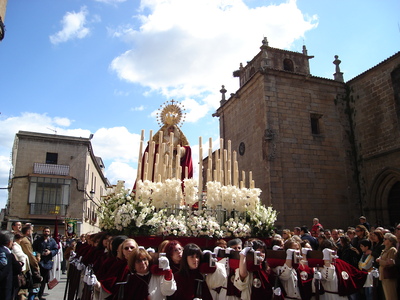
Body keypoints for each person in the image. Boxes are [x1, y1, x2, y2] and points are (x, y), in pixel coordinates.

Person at [32, 227, 58, 300]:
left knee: (44, 280)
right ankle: (35, 294)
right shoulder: (38, 241)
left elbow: (56, 249)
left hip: (47, 263)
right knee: (37, 279)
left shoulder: (52, 241)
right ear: (43, 232)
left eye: (48, 231)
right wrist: (37, 255)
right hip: (39, 262)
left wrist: (50, 252)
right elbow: (33, 250)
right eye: (45, 231)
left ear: (49, 233)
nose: (46, 233)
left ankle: (40, 294)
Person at [0, 230, 22, 300]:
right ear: (9, 242)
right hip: (5, 286)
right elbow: (17, 269)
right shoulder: (7, 254)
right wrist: (19, 264)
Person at [376, 232, 398, 299]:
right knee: (387, 295)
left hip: (389, 275)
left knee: (391, 295)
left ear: (390, 241)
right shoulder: (385, 250)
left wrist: (380, 261)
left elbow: (390, 263)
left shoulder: (392, 250)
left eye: (385, 239)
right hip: (383, 275)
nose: (384, 240)